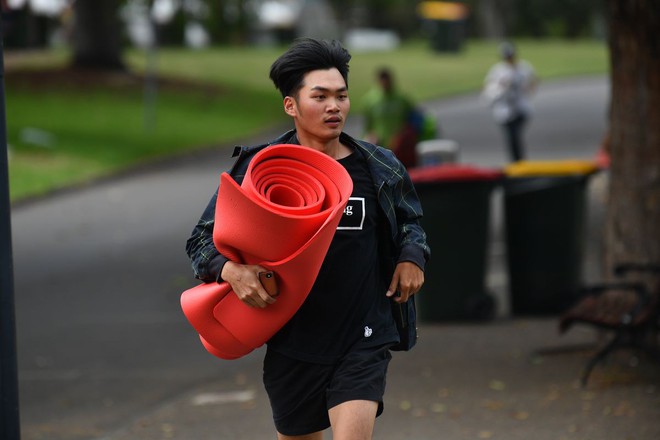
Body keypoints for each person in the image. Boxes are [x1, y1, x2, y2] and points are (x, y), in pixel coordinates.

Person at [185, 38, 430, 440]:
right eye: (320, 96)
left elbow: (411, 223)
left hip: (363, 337)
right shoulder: (260, 169)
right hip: (292, 343)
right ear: (291, 105)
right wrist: (232, 272)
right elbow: (200, 240)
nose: (334, 107)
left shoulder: (381, 166)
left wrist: (412, 256)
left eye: (342, 96)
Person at [483, 42, 538, 162]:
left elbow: (533, 80)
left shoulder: (524, 67)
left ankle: (520, 160)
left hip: (521, 107)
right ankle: (516, 161)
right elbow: (489, 90)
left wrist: (528, 90)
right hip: (504, 110)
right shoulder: (498, 71)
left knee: (516, 134)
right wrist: (502, 87)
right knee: (511, 137)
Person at [362, 67, 420, 168]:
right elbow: (367, 126)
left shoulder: (402, 99)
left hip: (400, 147)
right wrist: (369, 138)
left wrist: (406, 137)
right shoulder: (370, 100)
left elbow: (413, 121)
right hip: (380, 147)